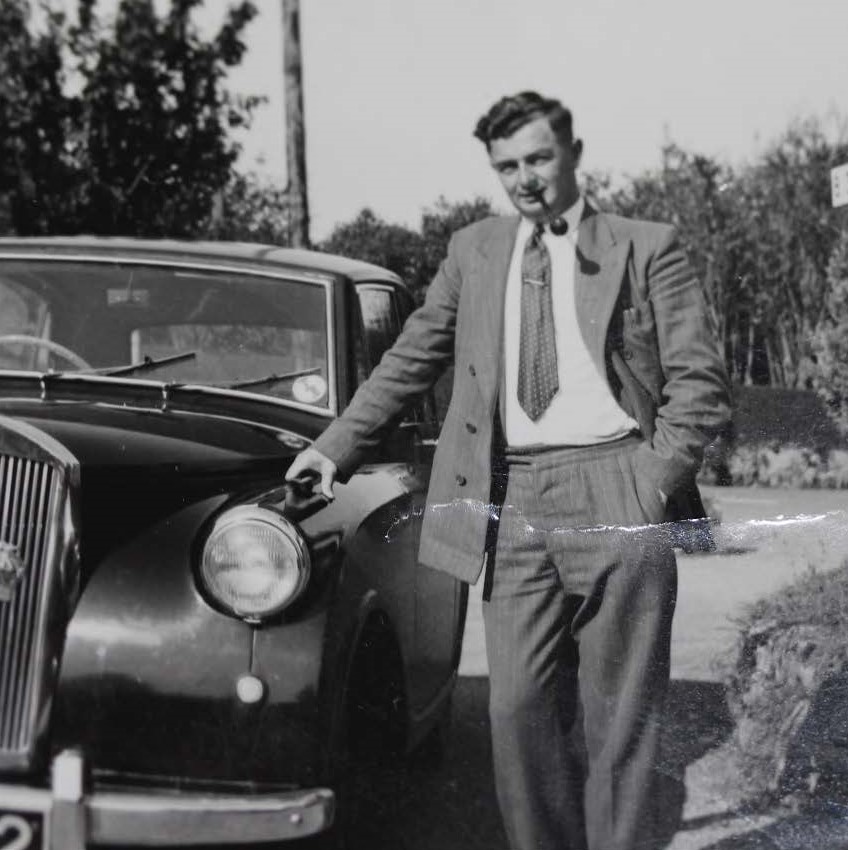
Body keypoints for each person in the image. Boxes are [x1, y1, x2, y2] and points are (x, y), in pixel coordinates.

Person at [286, 90, 730, 850]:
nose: (523, 178)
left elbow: (698, 380)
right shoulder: (475, 250)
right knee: (514, 711)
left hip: (616, 479)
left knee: (620, 720)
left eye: (537, 159)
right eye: (506, 166)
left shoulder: (645, 244)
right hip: (511, 494)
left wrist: (651, 479)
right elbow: (413, 355)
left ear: (573, 155)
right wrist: (334, 447)